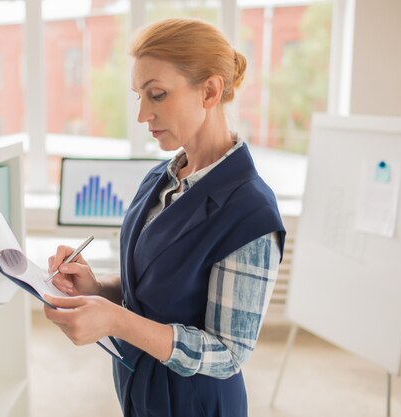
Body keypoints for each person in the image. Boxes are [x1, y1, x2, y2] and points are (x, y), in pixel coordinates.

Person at [43, 18, 286, 417]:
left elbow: (228, 353)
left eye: (156, 95)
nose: (142, 115)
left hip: (196, 404)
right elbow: (155, 282)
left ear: (210, 91)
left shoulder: (251, 212)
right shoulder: (162, 178)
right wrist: (96, 287)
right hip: (142, 387)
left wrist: (117, 322)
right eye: (139, 95)